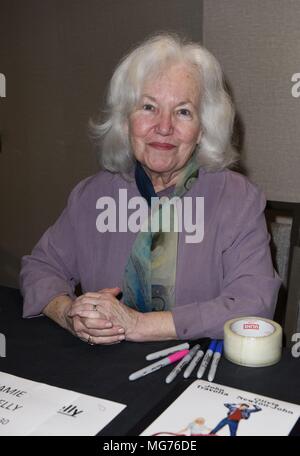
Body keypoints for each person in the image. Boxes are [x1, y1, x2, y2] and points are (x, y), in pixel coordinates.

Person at [20, 33, 281, 345]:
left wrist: (141, 325)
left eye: (183, 111)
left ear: (202, 129)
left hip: (195, 370)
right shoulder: (92, 196)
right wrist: (70, 313)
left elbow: (254, 304)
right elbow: (40, 268)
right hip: (103, 367)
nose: (164, 126)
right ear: (125, 121)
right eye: (148, 107)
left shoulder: (239, 201)